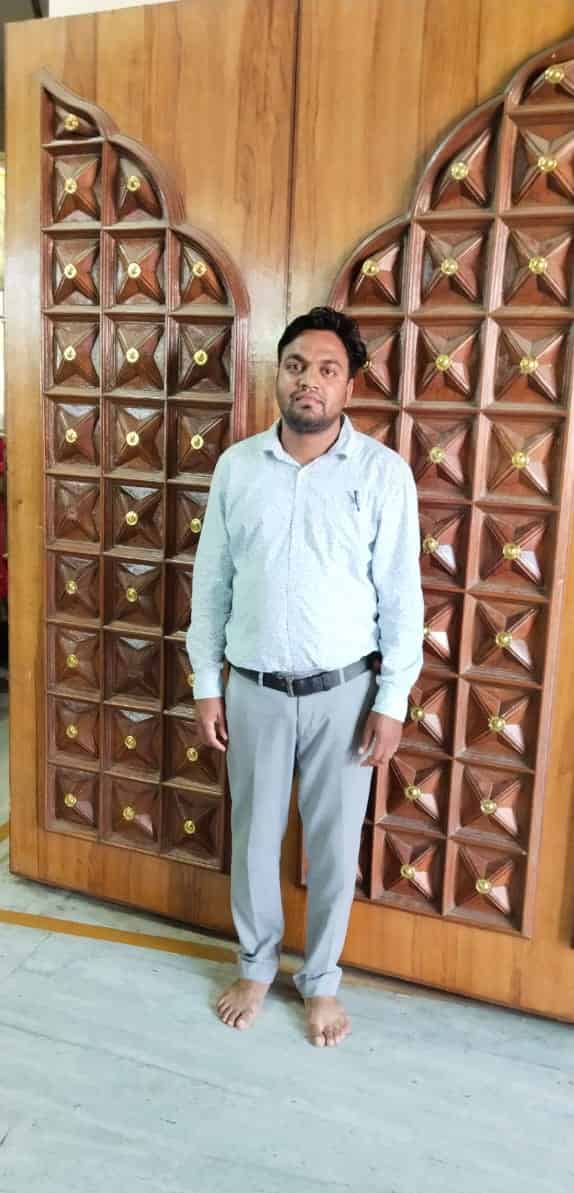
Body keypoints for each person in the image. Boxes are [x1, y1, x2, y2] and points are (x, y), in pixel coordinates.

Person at [187, 306, 424, 1048]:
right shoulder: (237, 468)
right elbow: (211, 585)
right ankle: (256, 968)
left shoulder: (382, 474)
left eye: (327, 369)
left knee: (333, 847)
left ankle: (320, 981)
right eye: (296, 366)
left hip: (345, 696)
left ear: (349, 386)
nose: (309, 382)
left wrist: (392, 701)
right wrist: (206, 683)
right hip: (254, 689)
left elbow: (401, 597)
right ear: (279, 375)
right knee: (255, 841)